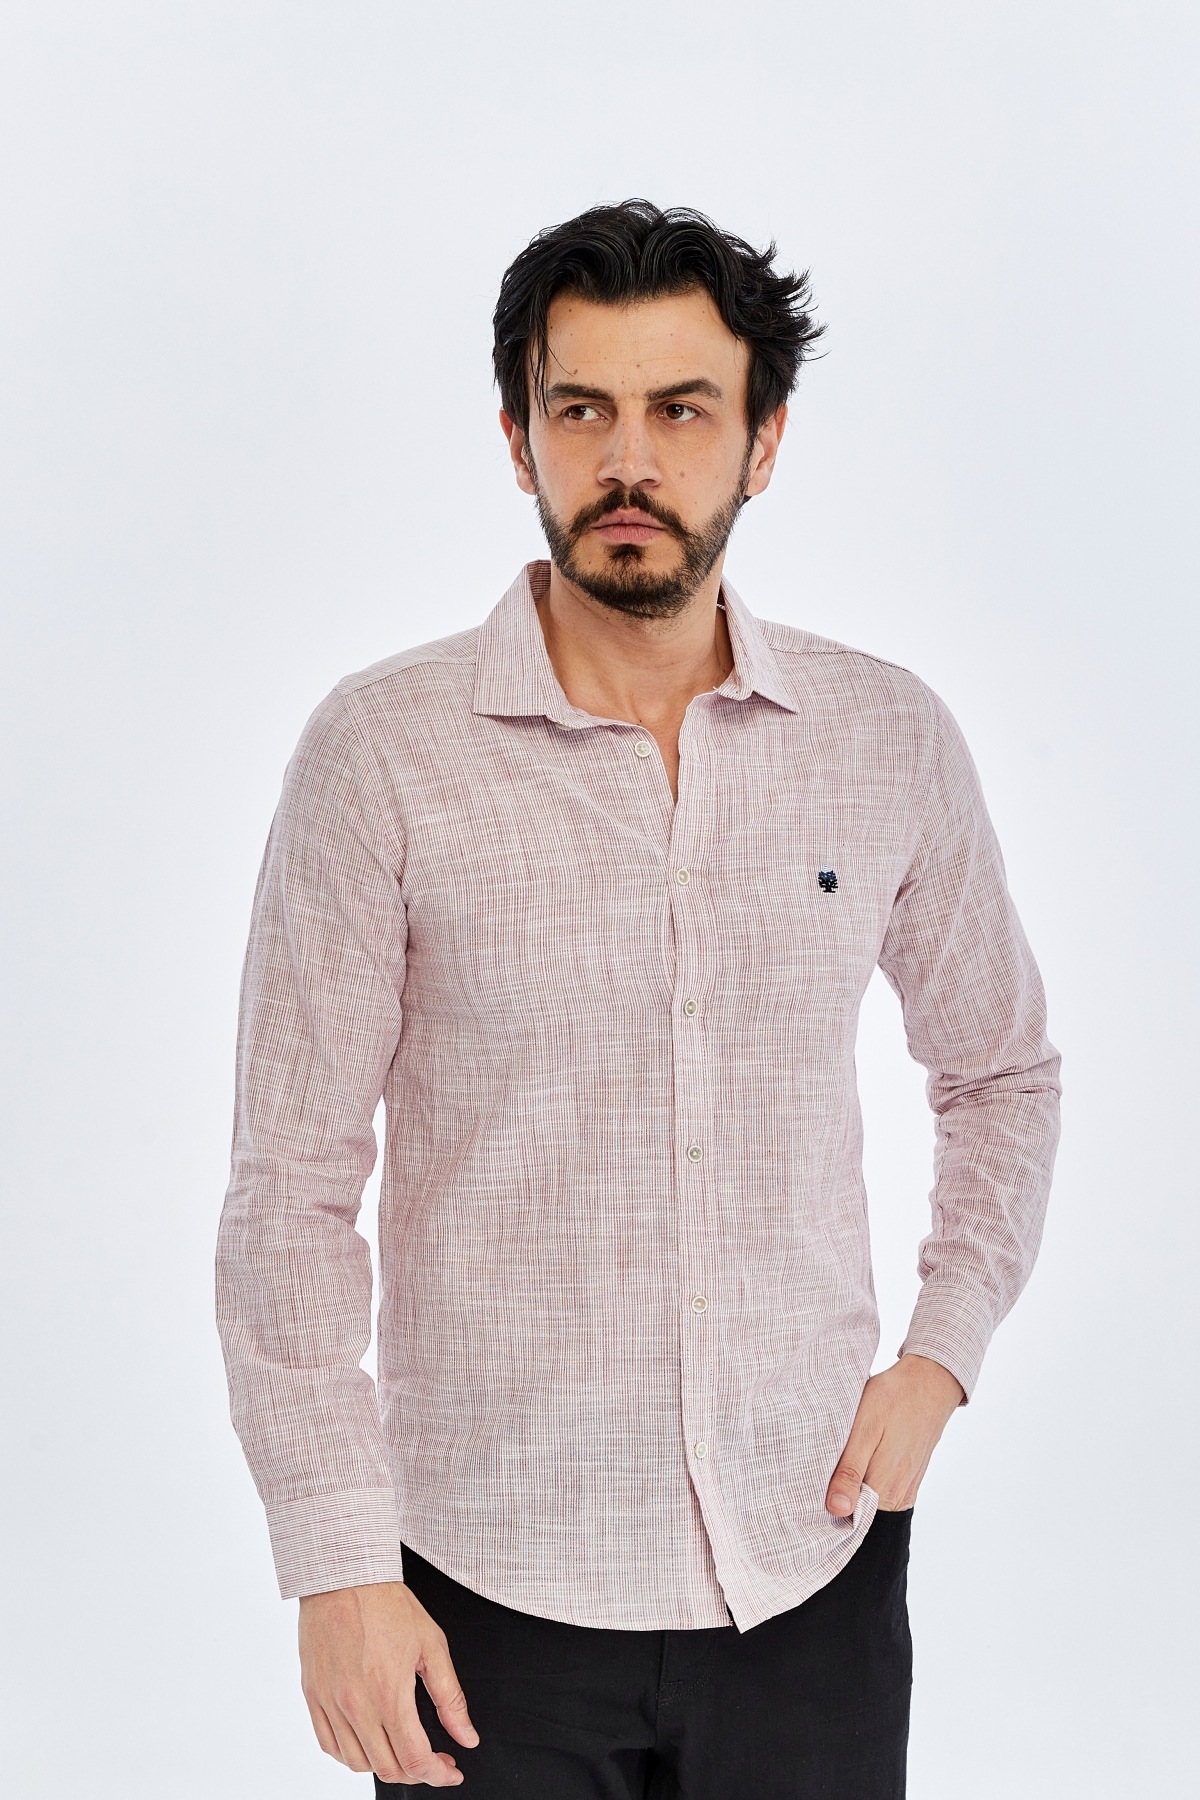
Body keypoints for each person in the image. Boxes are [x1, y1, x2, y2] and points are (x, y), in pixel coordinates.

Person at [216, 199, 1060, 1797]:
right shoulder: (381, 755)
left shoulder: (886, 739)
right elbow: (291, 1185)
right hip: (480, 1596)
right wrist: (334, 1562)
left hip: (810, 1566)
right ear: (519, 438)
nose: (628, 462)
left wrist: (942, 1351)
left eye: (681, 410)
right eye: (581, 410)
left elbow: (1003, 1072)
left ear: (763, 441)